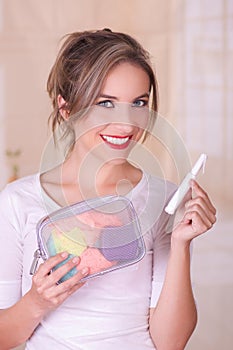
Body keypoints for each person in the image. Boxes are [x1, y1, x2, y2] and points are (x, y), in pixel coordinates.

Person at [0, 29, 216, 350]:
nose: (127, 124)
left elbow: (170, 342)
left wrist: (181, 244)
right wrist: (38, 301)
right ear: (67, 109)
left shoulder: (165, 201)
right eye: (106, 103)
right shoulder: (18, 202)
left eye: (139, 102)